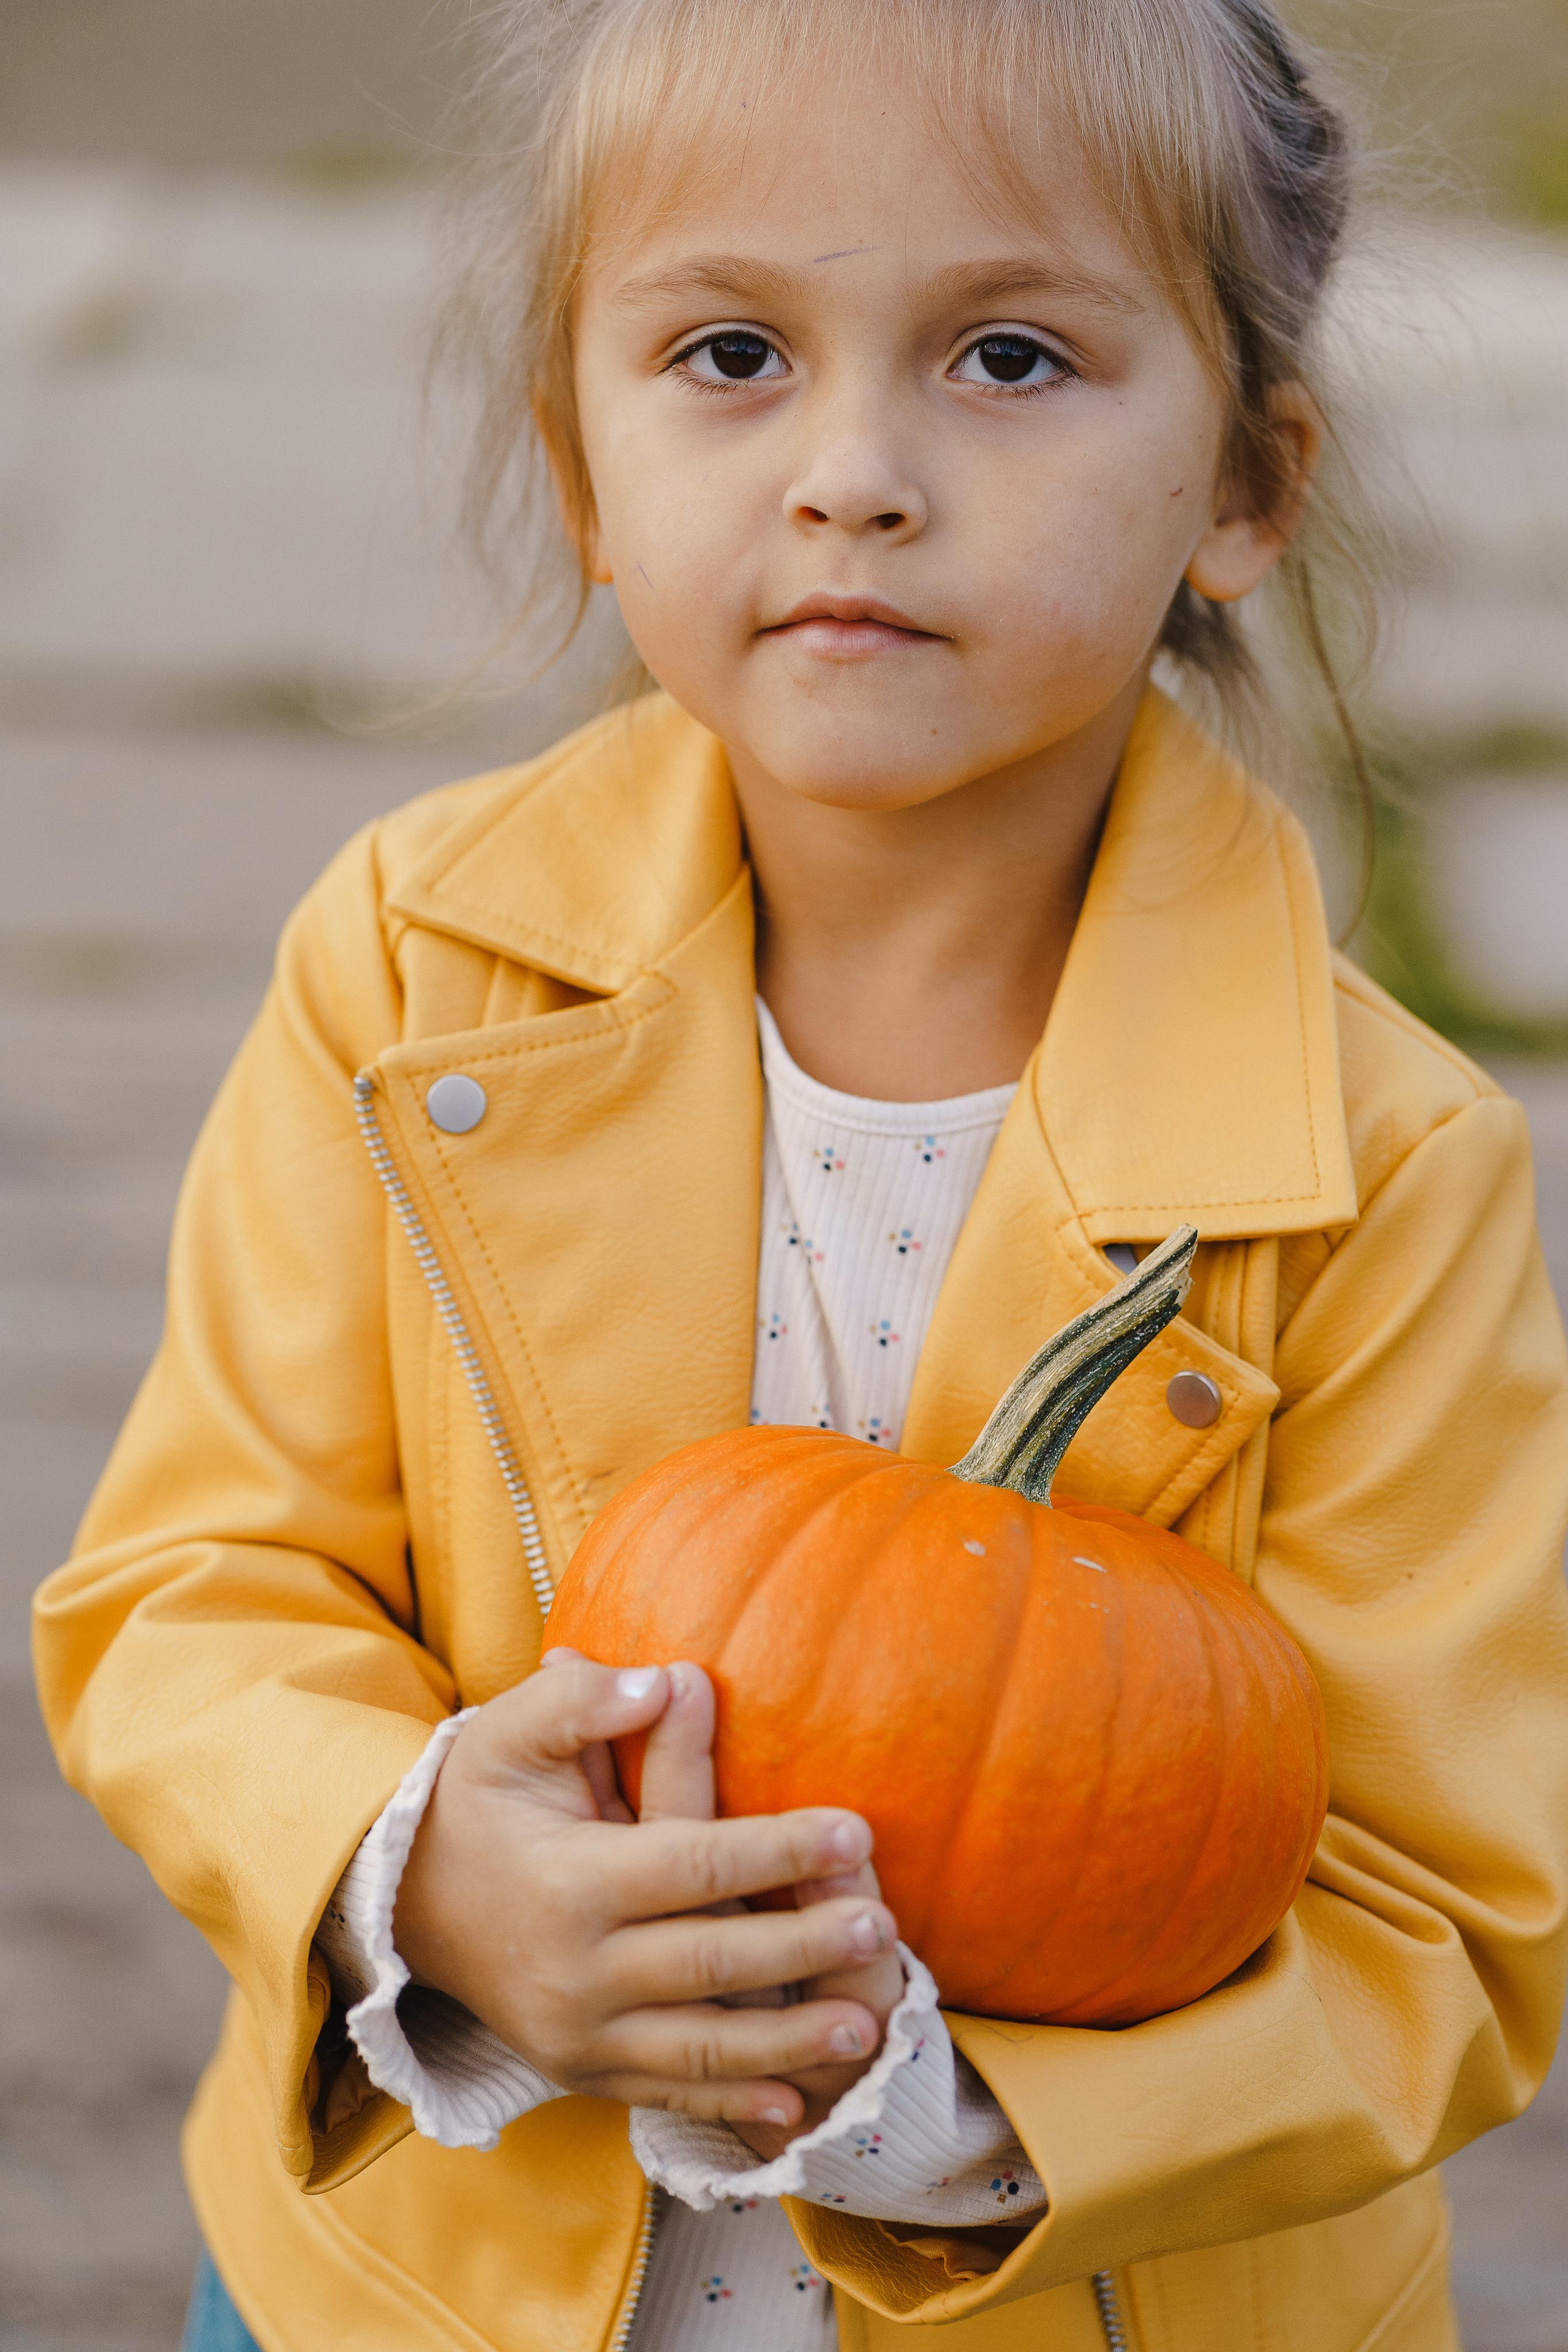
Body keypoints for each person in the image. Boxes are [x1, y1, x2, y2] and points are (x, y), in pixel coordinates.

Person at [32, 0, 1568, 2346]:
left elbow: (1439, 1920)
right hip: (422, 2299)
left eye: (1014, 360)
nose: (855, 471)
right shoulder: (409, 977)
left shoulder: (1383, 1174)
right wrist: (425, 1871)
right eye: (734, 351)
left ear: (1245, 489)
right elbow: (195, 1588)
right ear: (581, 457)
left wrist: (930, 2111)